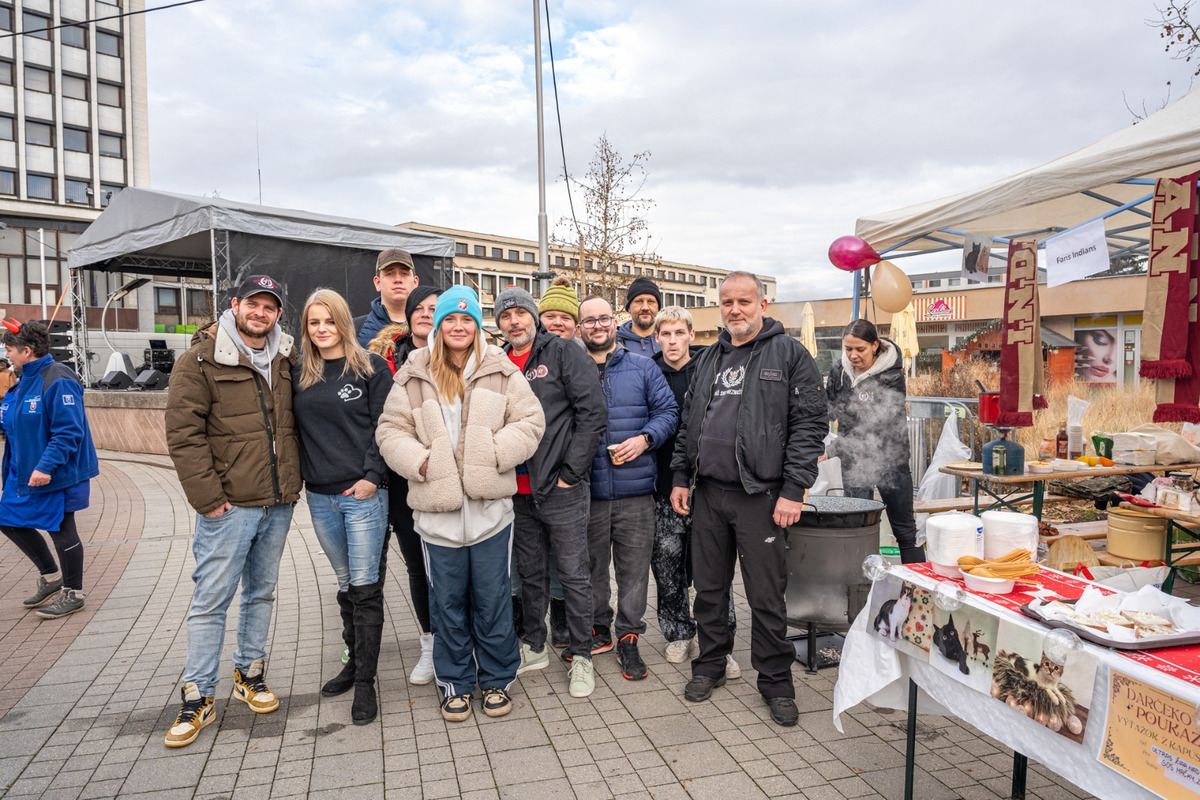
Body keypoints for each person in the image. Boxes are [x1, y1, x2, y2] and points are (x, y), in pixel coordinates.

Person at [376, 287, 545, 722]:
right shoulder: (414, 373)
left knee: (492, 600)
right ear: (439, 325)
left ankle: (497, 679)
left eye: (467, 320)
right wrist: (422, 462)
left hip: (491, 516)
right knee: (446, 604)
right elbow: (390, 431)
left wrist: (493, 454)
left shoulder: (500, 369)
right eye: (450, 319)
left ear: (476, 326)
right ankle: (454, 683)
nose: (458, 326)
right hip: (437, 517)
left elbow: (530, 421)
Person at [670, 272, 827, 727]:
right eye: (727, 302)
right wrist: (681, 476)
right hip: (708, 494)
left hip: (762, 496)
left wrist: (794, 490)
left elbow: (810, 426)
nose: (734, 309)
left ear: (762, 304)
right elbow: (688, 422)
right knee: (709, 590)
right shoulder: (709, 357)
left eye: (744, 301)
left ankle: (776, 682)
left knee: (765, 595)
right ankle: (711, 664)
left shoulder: (790, 354)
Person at [164, 274, 301, 748]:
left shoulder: (285, 358)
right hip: (228, 507)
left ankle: (250, 674)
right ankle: (198, 694)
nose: (260, 313)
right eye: (253, 304)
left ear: (278, 314)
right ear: (236, 305)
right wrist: (208, 499)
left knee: (261, 592)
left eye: (270, 307)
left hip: (278, 503)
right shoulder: (200, 359)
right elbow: (183, 434)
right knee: (211, 601)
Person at [495, 287, 607, 699]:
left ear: (534, 316)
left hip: (562, 489)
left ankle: (582, 656)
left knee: (574, 575)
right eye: (506, 316)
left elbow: (592, 414)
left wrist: (570, 474)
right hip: (518, 490)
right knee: (530, 573)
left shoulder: (562, 353)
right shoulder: (497, 362)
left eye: (521, 313)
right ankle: (535, 645)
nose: (514, 322)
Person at [293, 289, 393, 725]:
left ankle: (366, 683)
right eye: (314, 322)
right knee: (346, 583)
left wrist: (372, 477)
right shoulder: (298, 374)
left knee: (365, 586)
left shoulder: (371, 368)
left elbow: (386, 426)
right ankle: (353, 664)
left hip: (364, 496)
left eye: (329, 320)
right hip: (320, 497)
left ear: (344, 323)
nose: (322, 329)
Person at [579, 295, 677, 681]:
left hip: (636, 490)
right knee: (591, 569)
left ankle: (629, 637)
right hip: (588, 491)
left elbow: (668, 412)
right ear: (580, 327)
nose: (597, 326)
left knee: (634, 572)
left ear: (614, 322)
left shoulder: (642, 367)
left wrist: (645, 439)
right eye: (589, 320)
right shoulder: (572, 368)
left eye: (604, 318)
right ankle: (598, 627)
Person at [650, 307, 739, 677]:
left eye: (679, 333)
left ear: (690, 334)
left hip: (707, 486)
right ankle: (678, 633)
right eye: (665, 334)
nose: (672, 341)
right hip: (661, 486)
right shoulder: (647, 372)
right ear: (657, 337)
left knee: (713, 569)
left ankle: (719, 641)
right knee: (667, 566)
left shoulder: (711, 368)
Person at [365, 284, 441, 685]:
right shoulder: (385, 359)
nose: (426, 314)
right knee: (417, 565)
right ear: (408, 316)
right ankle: (430, 645)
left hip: (452, 480)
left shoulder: (462, 354)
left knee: (452, 564)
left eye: (434, 308)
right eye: (419, 308)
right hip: (402, 481)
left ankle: (460, 640)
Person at [0, 320, 98, 619]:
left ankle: (73, 593)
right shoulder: (23, 380)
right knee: (7, 518)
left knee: (61, 527)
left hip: (54, 472)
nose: (6, 355)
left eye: (9, 349)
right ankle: (51, 576)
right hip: (23, 471)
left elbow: (69, 431)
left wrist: (45, 466)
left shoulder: (58, 378)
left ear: (26, 351)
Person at [826, 319, 924, 564]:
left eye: (860, 349)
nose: (853, 355)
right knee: (858, 526)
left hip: (892, 460)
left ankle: (916, 584)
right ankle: (863, 583)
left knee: (905, 530)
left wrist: (832, 449)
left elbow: (875, 426)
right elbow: (829, 409)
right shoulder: (839, 371)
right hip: (854, 462)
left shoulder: (891, 375)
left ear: (875, 346)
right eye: (848, 349)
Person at [535, 276, 583, 645]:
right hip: (531, 476)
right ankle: (535, 626)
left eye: (565, 317)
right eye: (550, 315)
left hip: (568, 476)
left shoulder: (577, 355)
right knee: (535, 558)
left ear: (575, 325)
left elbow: (591, 417)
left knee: (568, 560)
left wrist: (570, 472)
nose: (557, 322)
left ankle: (566, 622)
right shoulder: (527, 355)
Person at [355, 248, 419, 347]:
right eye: (390, 273)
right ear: (377, 283)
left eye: (404, 273)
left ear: (415, 282)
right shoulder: (354, 330)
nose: (398, 279)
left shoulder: (432, 328)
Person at [616, 277, 662, 356]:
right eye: (639, 301)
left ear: (658, 307)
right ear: (629, 308)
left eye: (651, 301)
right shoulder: (614, 344)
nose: (645, 308)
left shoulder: (671, 340)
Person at [538, 275, 581, 341]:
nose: (558, 323)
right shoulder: (523, 346)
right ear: (538, 321)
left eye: (565, 318)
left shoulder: (584, 348)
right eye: (550, 317)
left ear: (575, 326)